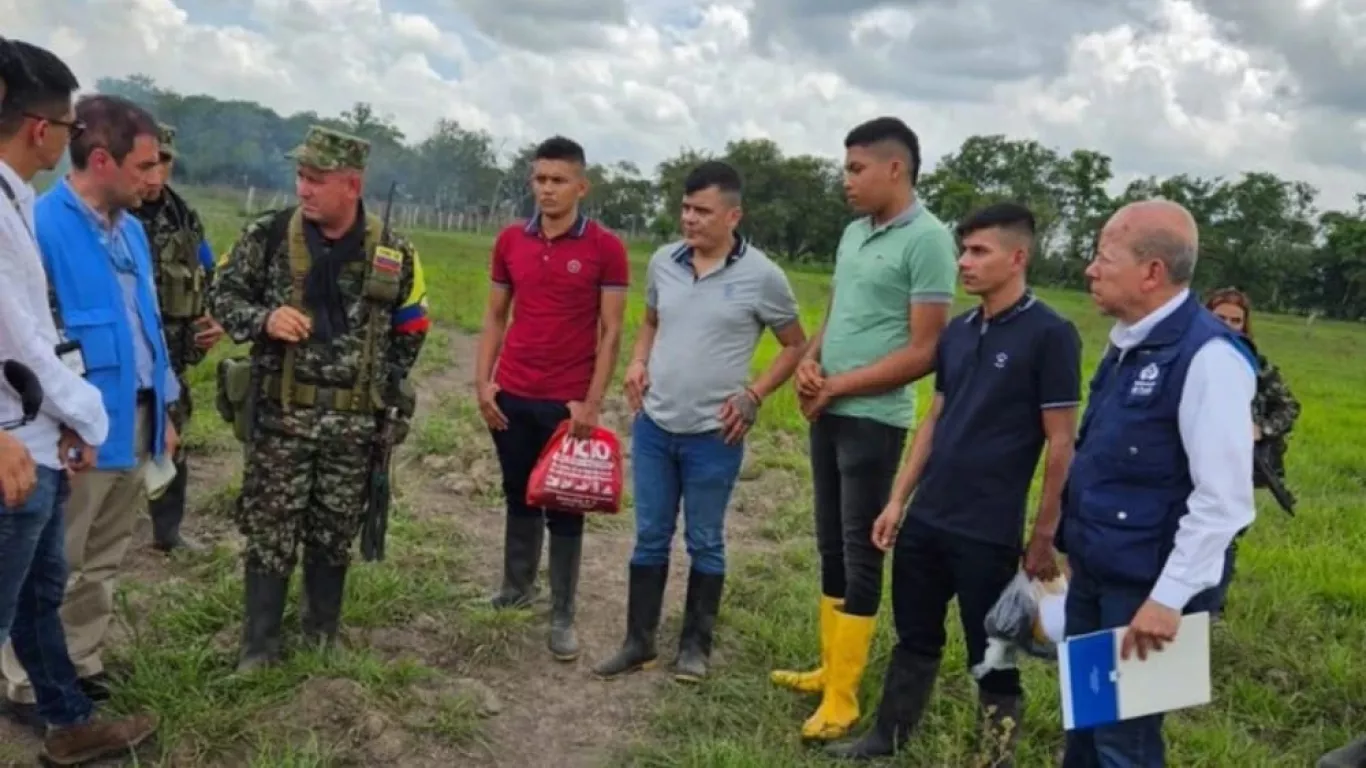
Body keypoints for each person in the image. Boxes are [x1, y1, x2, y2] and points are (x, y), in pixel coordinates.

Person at [825, 202, 1081, 765]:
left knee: (991, 649)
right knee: (914, 634)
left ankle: (994, 756)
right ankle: (885, 739)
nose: (963, 262)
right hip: (928, 519)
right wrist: (897, 500)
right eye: (963, 250)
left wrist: (1044, 535)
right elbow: (935, 418)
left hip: (988, 529)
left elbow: (1061, 443)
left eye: (978, 251)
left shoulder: (1051, 335)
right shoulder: (960, 332)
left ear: (1018, 257)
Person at [207, 125, 429, 672]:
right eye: (300, 177)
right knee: (270, 530)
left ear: (351, 184)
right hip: (283, 417)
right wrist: (263, 318)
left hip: (353, 429)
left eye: (316, 179)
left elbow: (413, 321)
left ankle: (320, 634)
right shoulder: (268, 235)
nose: (303, 189)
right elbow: (221, 292)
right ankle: (258, 648)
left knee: (334, 532)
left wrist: (383, 389)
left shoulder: (393, 250)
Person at [771, 116, 958, 742]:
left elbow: (926, 350)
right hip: (831, 409)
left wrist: (842, 386)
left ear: (895, 169)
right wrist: (811, 364)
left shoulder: (928, 240)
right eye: (844, 167)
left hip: (873, 421)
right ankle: (830, 669)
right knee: (829, 543)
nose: (845, 180)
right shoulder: (854, 233)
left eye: (856, 169)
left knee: (859, 551)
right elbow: (836, 314)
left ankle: (846, 698)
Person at [0, 37, 158, 763]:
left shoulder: (20, 206)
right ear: (43, 128)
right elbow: (24, 339)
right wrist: (85, 413)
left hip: (46, 430)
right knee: (21, 601)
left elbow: (53, 332)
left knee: (45, 594)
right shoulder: (28, 215)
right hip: (20, 443)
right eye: (65, 128)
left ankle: (67, 719)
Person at [1057, 199, 1257, 767]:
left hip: (1146, 589)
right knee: (1088, 720)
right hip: (1099, 573)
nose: (1090, 270)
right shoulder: (1128, 342)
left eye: (1103, 257)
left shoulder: (1208, 357)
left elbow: (1223, 501)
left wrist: (1168, 599)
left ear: (1152, 272)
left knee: (1126, 742)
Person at [594, 161, 807, 682]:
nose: (689, 219)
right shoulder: (665, 261)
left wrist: (755, 395)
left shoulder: (763, 276)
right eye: (685, 208)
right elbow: (649, 321)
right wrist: (639, 361)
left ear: (733, 215)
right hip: (654, 427)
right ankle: (638, 642)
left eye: (702, 211)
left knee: (705, 539)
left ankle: (695, 646)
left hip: (715, 435)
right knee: (649, 536)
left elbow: (795, 345)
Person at [474, 136, 629, 662]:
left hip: (566, 403)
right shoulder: (511, 240)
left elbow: (611, 333)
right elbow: (496, 315)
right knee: (517, 494)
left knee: (565, 504)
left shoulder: (605, 248)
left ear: (581, 186)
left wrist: (591, 402)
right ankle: (517, 588)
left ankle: (562, 612)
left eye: (558, 180)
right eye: (540, 179)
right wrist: (483, 382)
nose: (547, 189)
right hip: (511, 392)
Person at [131, 121, 223, 554]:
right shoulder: (113, 209)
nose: (156, 172)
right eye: (150, 160)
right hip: (123, 350)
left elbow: (208, 272)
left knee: (172, 437)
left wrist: (213, 318)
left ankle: (166, 533)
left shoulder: (182, 214)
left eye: (165, 161)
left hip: (172, 353)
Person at [1204, 287, 1300, 616]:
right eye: (1221, 318)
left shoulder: (1255, 365)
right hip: (1191, 460)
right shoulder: (1188, 356)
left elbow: (1289, 407)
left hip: (1237, 463)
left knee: (1224, 534)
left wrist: (1261, 430)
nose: (1229, 326)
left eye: (1236, 320)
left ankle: (1212, 608)